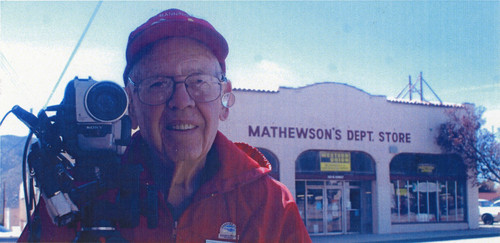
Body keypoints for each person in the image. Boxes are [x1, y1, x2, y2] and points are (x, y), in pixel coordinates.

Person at [19, 8, 311, 242]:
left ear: (224, 98)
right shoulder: (79, 199)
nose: (182, 101)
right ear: (130, 105)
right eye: (158, 83)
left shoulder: (270, 205)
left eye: (199, 82)